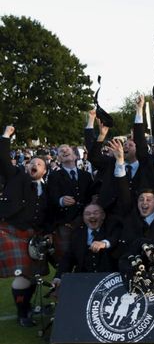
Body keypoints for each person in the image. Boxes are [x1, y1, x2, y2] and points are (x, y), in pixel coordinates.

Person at [0, 126, 49, 327]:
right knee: (22, 273)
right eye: (31, 163)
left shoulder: (47, 187)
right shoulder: (16, 176)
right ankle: (23, 313)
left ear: (45, 170)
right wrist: (5, 136)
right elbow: (2, 159)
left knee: (31, 275)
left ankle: (27, 307)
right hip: (12, 231)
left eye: (38, 163)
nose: (33, 165)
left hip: (34, 235)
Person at [53, 202, 120, 283]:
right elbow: (68, 258)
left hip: (109, 280)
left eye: (96, 213)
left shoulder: (112, 228)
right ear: (83, 218)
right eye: (87, 214)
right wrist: (58, 277)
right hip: (84, 280)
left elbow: (115, 238)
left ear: (103, 216)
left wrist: (104, 243)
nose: (92, 216)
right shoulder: (77, 234)